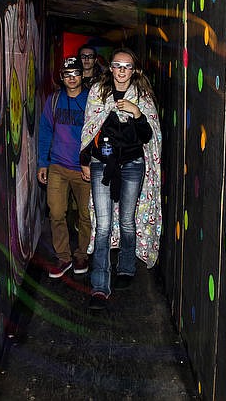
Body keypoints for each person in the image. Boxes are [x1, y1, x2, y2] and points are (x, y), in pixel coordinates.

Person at [80, 48, 162, 310]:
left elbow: (149, 136)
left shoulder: (143, 97)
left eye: (127, 66)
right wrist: (84, 160)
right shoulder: (97, 93)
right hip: (102, 164)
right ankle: (99, 287)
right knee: (103, 225)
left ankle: (126, 266)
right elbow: (89, 126)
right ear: (111, 68)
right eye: (117, 65)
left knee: (127, 219)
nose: (122, 71)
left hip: (132, 164)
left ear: (134, 70)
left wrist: (136, 112)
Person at [37, 57, 92, 278]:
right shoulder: (54, 100)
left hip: (84, 169)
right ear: (62, 77)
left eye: (75, 73)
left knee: (86, 215)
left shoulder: (91, 101)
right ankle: (63, 257)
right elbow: (45, 132)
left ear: (82, 76)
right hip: (57, 166)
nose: (71, 77)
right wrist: (43, 163)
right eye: (67, 73)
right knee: (57, 212)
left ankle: (81, 254)